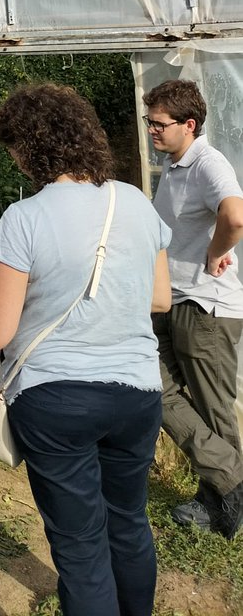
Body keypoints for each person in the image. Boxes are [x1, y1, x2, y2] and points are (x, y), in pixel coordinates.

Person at [0, 84, 171, 616]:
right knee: (129, 523)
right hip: (135, 391)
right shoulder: (134, 200)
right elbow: (159, 297)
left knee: (81, 545)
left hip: (54, 397)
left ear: (29, 148)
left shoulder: (24, 217)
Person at [143, 78, 243, 538]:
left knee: (214, 410)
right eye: (149, 122)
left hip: (206, 307)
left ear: (190, 124)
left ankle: (222, 505)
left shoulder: (207, 162)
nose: (151, 131)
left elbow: (235, 214)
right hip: (174, 301)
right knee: (152, 385)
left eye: (158, 124)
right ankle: (230, 484)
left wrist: (216, 249)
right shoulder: (175, 162)